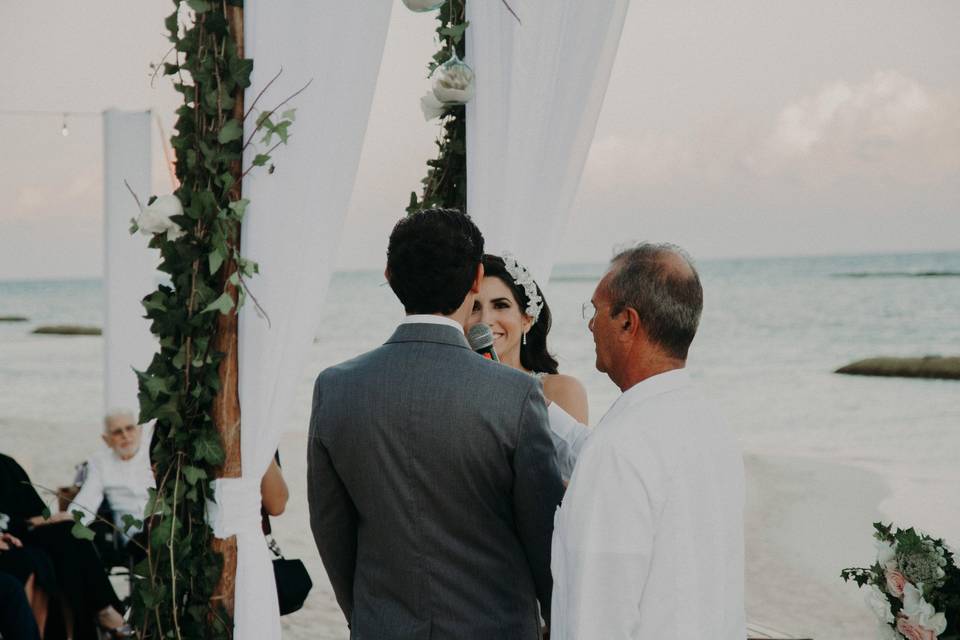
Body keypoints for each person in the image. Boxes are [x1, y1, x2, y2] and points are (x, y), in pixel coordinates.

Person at [308, 208, 565, 639]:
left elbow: (331, 528)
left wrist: (367, 616)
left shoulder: (335, 388)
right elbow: (544, 538)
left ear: (390, 275)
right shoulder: (513, 394)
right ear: (477, 278)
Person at [549, 243, 745, 639]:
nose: (590, 325)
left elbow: (599, 616)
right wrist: (531, 401)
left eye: (596, 311)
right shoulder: (711, 425)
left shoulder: (620, 447)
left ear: (627, 322)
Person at [466, 253, 589, 481]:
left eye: (500, 305)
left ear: (526, 319)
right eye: (474, 307)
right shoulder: (454, 392)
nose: (485, 320)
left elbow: (578, 484)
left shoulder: (560, 390)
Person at [0, 453, 132, 639]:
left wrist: (47, 519)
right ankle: (108, 618)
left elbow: (32, 511)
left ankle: (106, 611)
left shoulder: (5, 465)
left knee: (70, 532)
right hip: (9, 544)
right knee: (37, 560)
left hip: (18, 534)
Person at [59, 410, 154, 544]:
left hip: (162, 526)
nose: (125, 436)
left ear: (140, 430)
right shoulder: (100, 462)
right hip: (134, 539)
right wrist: (69, 521)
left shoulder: (153, 455)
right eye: (117, 432)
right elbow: (87, 500)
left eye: (129, 428)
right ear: (106, 439)